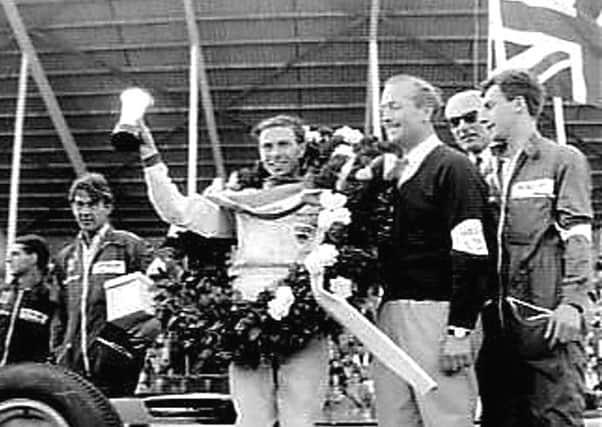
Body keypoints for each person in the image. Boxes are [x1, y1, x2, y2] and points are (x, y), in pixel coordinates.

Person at [138, 115, 329, 427]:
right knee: (252, 419)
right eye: (267, 146)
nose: (275, 153)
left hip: (307, 315)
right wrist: (150, 157)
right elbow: (177, 211)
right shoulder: (236, 202)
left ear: (301, 147)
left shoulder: (325, 198)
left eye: (283, 144)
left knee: (303, 417)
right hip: (245, 318)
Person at [371, 74, 495, 427]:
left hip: (438, 313)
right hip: (391, 312)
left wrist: (459, 330)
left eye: (395, 106)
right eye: (383, 109)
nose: (386, 116)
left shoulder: (453, 168)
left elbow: (472, 252)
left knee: (446, 418)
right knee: (394, 418)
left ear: (426, 111)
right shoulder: (392, 174)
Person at [476, 69, 594, 426]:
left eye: (489, 105)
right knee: (500, 417)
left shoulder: (562, 159)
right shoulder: (485, 170)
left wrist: (573, 303)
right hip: (496, 326)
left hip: (546, 319)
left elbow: (578, 234)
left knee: (555, 417)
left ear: (518, 105)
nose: (483, 116)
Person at [52, 172, 158, 397]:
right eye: (79, 205)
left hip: (117, 359)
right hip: (72, 366)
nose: (84, 212)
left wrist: (156, 323)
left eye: (92, 204)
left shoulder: (130, 246)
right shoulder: (66, 257)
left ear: (107, 207)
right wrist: (57, 350)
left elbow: (167, 289)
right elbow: (59, 314)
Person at [0, 234, 54, 364]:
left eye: (16, 254)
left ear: (34, 258)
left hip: (27, 378)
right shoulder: (4, 293)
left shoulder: (51, 298)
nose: (8, 260)